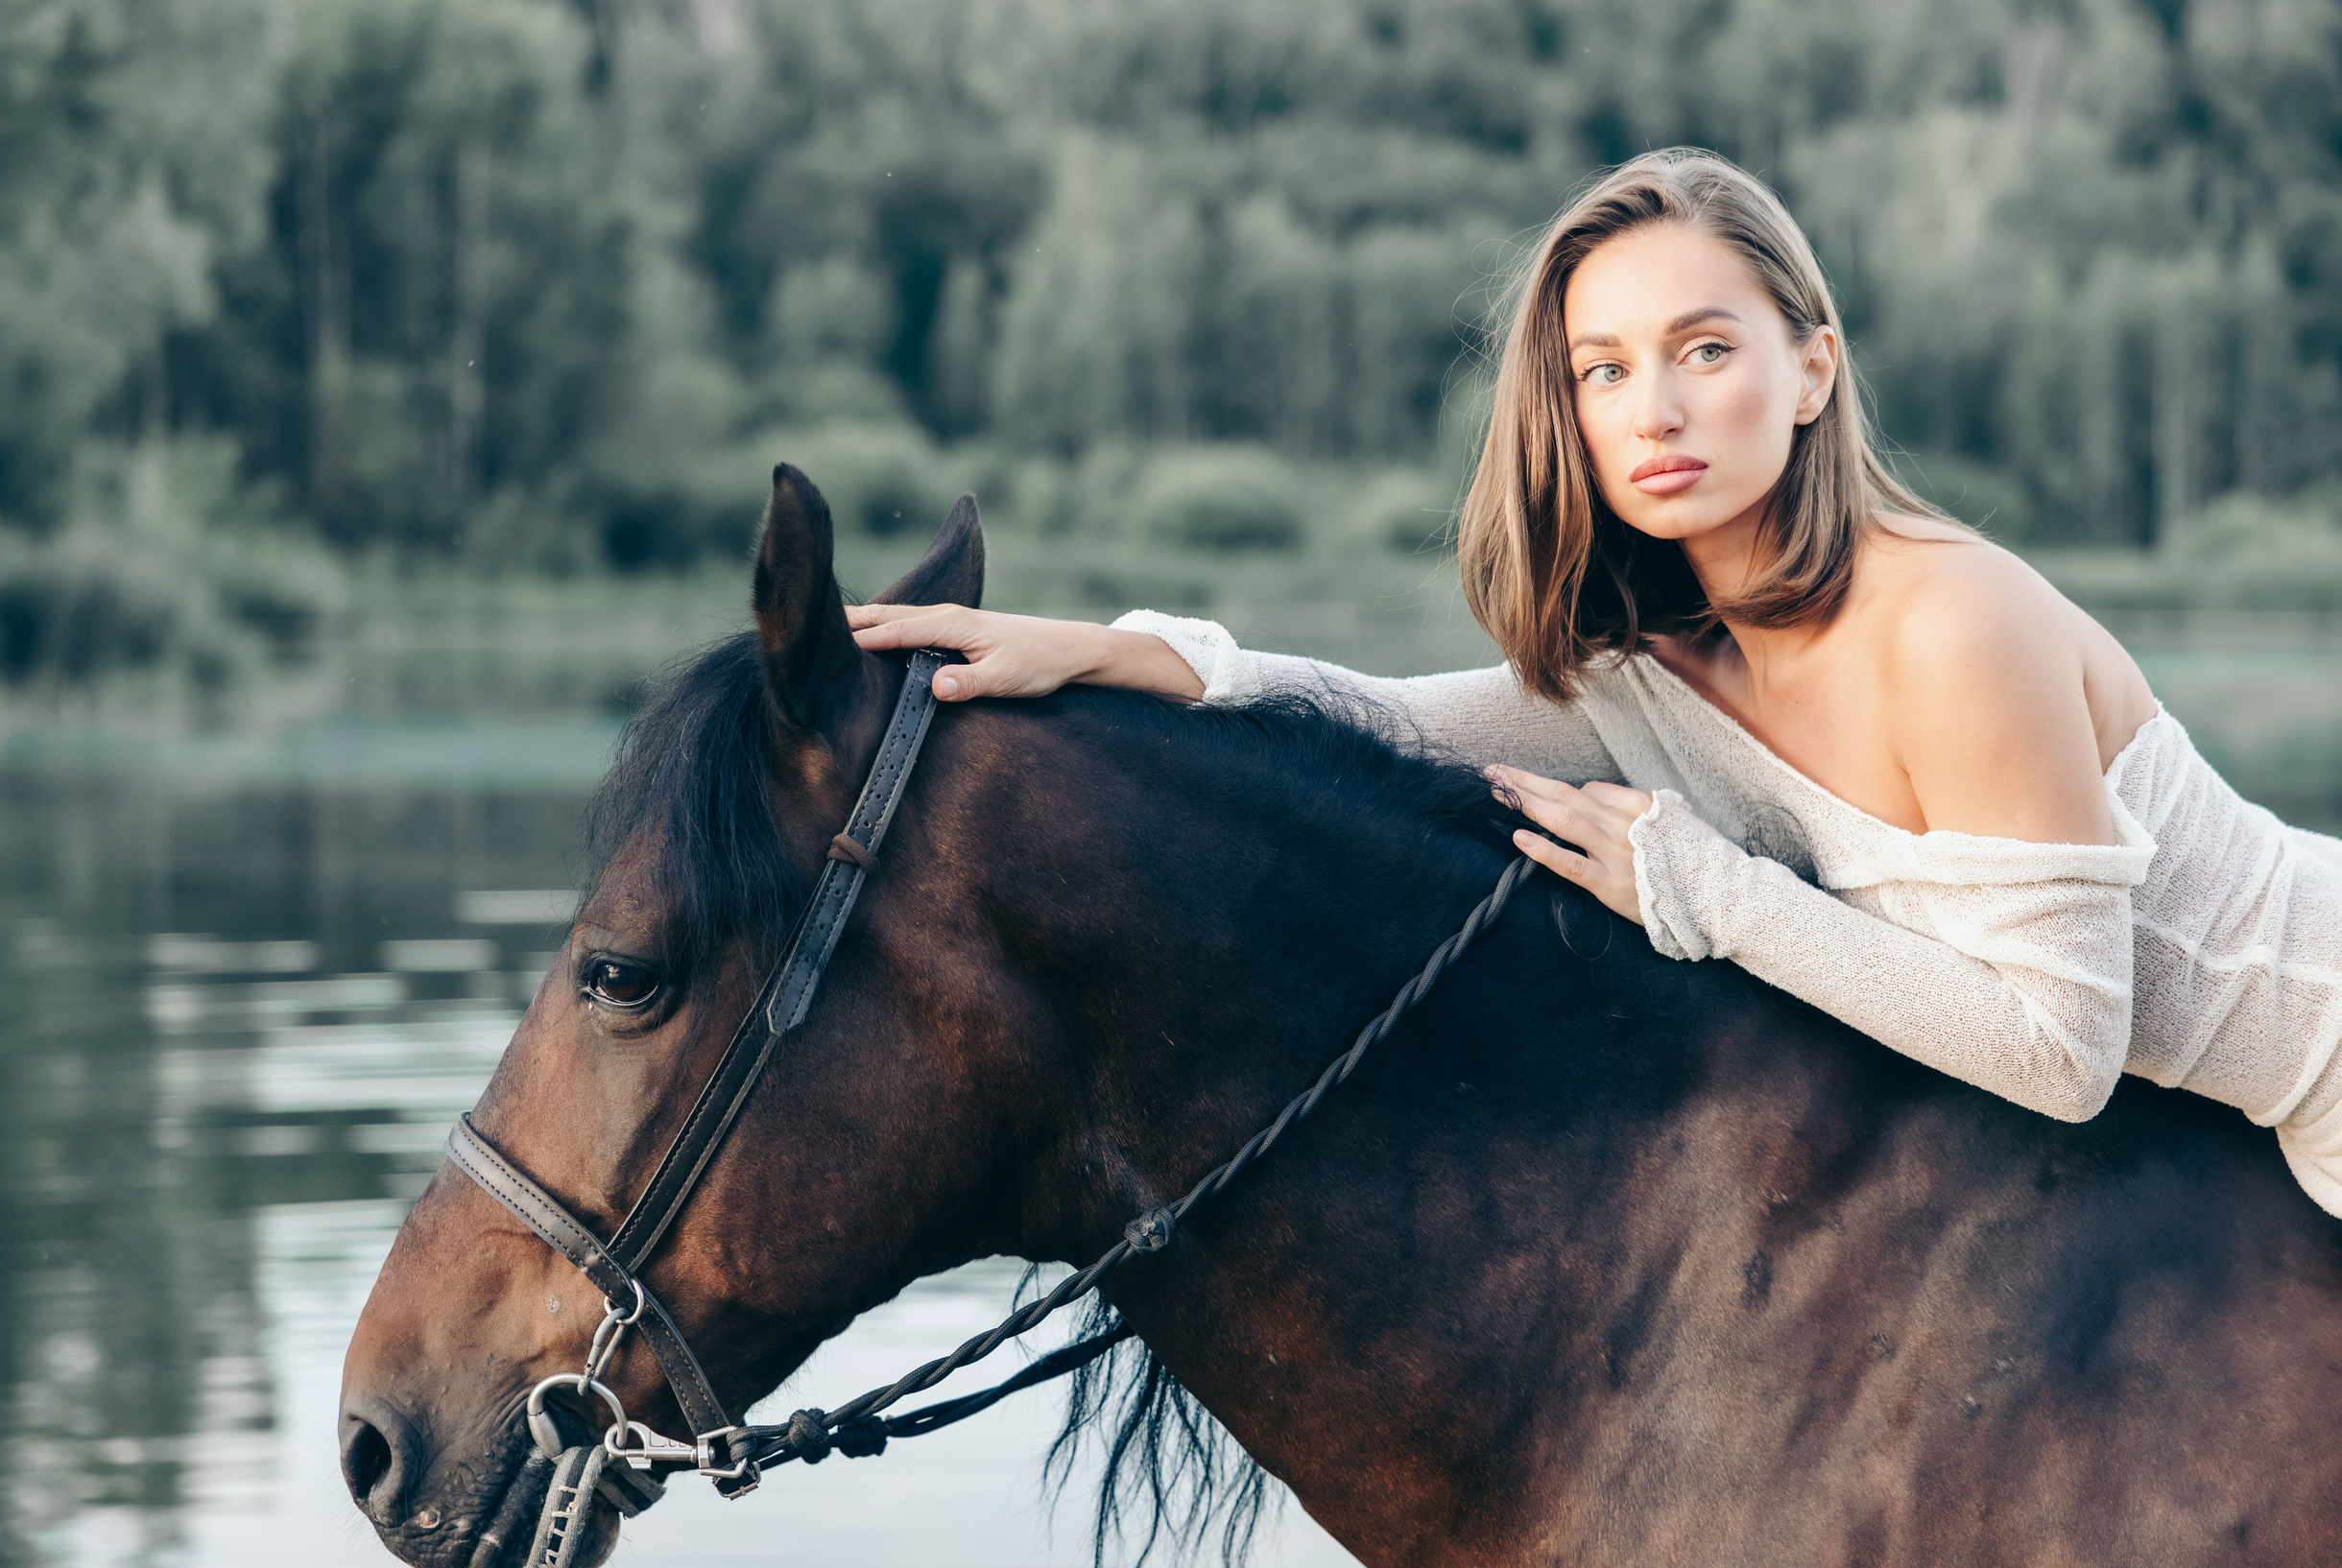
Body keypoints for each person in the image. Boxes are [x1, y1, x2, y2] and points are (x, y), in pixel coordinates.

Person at [850, 148, 2342, 1214]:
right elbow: (1380, 721)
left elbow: (2064, 1050)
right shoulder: (1662, 672)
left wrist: (1709, 891)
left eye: (1706, 348)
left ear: (1812, 369)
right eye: (1603, 370)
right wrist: (1103, 655)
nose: (1656, 410)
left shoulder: (1952, 622)